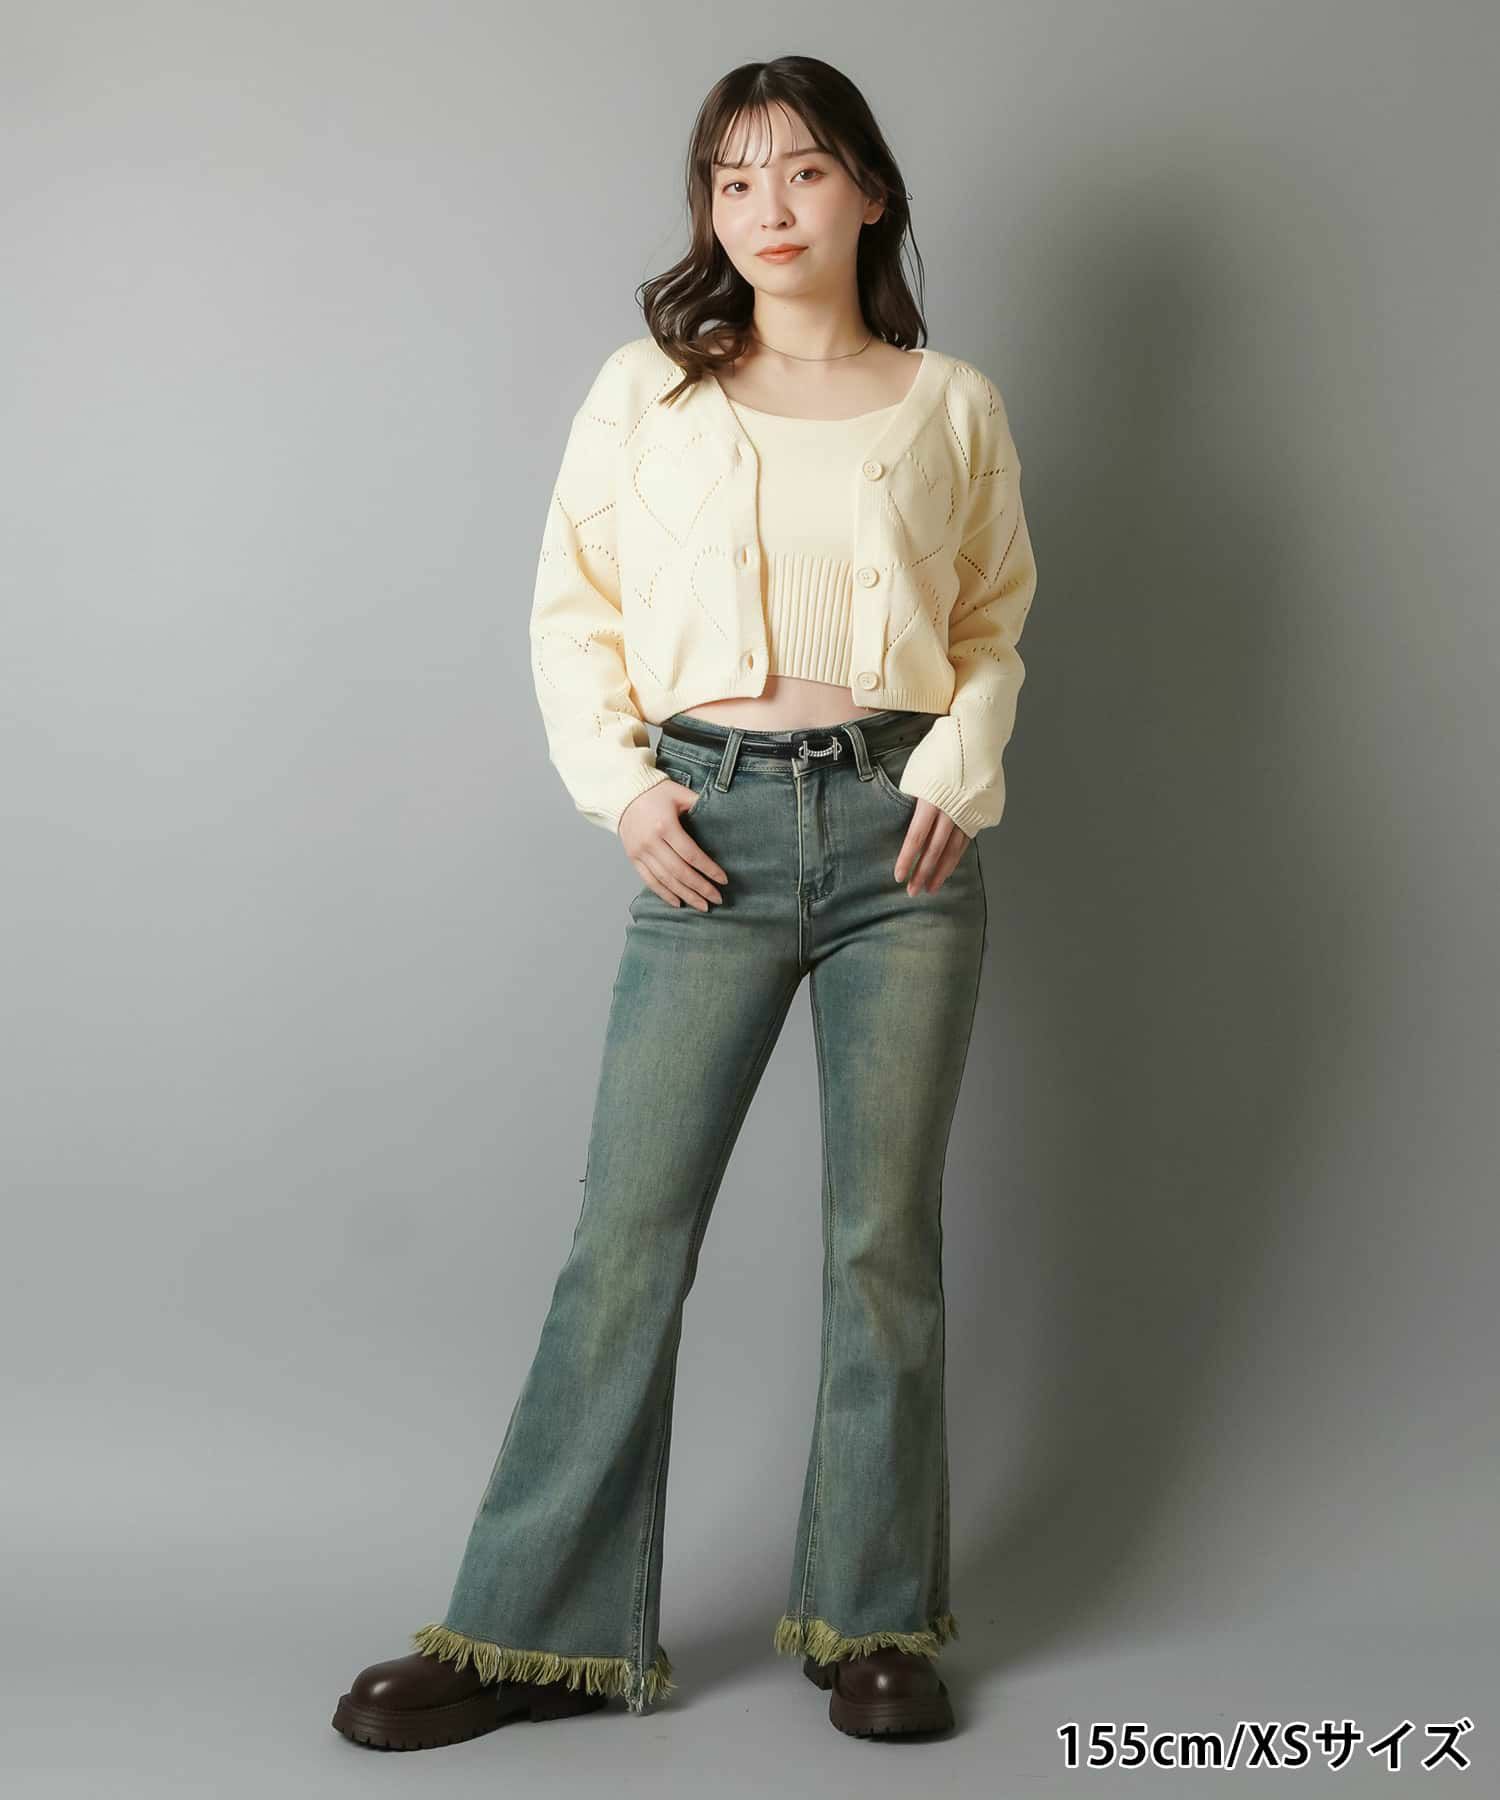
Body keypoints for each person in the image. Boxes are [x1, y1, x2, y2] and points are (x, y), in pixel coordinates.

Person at [332, 52, 1038, 1750]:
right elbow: (572, 609)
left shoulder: (951, 404)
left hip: (900, 845)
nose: (765, 208)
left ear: (869, 191)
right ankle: (529, 1634)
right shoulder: (646, 392)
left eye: (801, 171)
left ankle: (875, 1620)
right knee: (627, 1237)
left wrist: (956, 769)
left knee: (884, 1244)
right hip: (707, 829)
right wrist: (630, 788)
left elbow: (993, 619)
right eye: (732, 180)